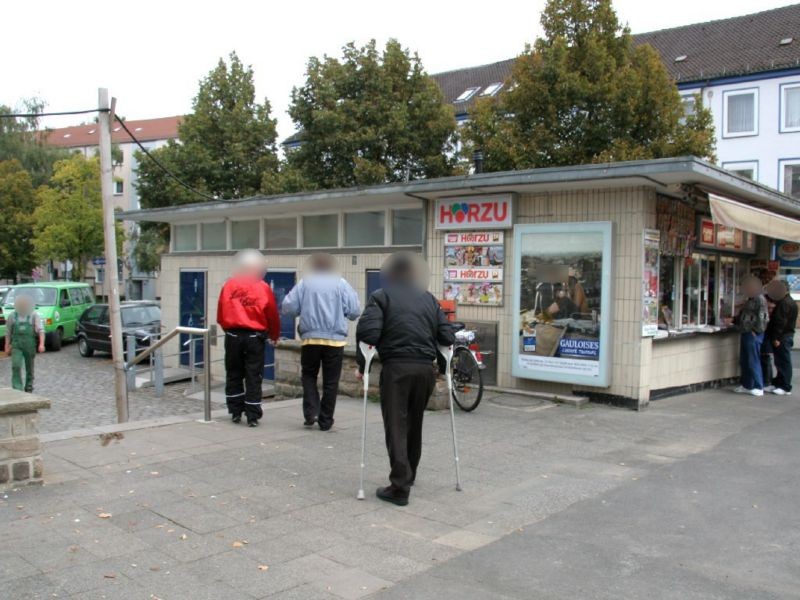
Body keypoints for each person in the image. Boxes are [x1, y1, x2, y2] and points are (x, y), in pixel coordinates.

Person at [356, 253, 455, 507]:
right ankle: (408, 475)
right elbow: (446, 335)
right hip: (425, 370)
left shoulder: (381, 297)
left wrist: (362, 366)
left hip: (397, 369)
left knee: (396, 426)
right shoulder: (428, 299)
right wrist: (443, 366)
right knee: (414, 422)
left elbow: (368, 333)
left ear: (390, 274)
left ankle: (399, 487)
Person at [281, 253, 360, 430]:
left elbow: (288, 307)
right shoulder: (341, 283)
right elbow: (355, 311)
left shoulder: (305, 283)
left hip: (311, 339)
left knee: (309, 375)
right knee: (331, 382)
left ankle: (311, 413)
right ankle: (325, 420)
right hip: (335, 341)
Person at [217, 249, 281, 426]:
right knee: (254, 375)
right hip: (254, 336)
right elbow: (272, 314)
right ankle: (252, 414)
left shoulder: (229, 286)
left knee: (233, 373)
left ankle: (235, 411)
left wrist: (228, 329)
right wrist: (273, 335)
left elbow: (221, 314)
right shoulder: (263, 287)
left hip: (233, 334)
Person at [734, 274, 769, 396]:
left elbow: (763, 317)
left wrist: (756, 331)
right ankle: (747, 385)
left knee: (753, 359)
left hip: (752, 333)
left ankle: (758, 386)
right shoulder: (751, 298)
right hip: (746, 332)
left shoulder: (759, 299)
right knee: (745, 360)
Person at [4, 293, 45, 393]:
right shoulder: (12, 316)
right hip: (16, 345)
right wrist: (7, 346)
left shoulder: (34, 315)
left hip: (29, 344)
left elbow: (41, 330)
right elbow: (8, 332)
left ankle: (29, 386)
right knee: (16, 365)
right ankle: (17, 388)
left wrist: (41, 344)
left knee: (29, 367)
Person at [764, 279, 797, 395]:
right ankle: (779, 383)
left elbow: (780, 322)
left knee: (783, 361)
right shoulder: (788, 301)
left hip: (782, 337)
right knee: (780, 361)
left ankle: (785, 386)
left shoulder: (784, 303)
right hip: (785, 335)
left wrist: (776, 338)